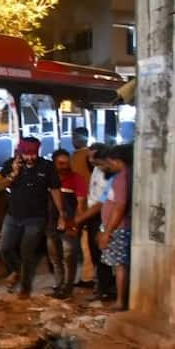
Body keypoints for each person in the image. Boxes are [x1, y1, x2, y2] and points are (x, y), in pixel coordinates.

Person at [0, 137, 65, 299]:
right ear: (20, 153)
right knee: (4, 248)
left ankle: (25, 289)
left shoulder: (47, 167)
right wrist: (14, 173)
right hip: (13, 216)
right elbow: (0, 187)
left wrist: (62, 213)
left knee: (27, 253)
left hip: (36, 218)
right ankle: (16, 271)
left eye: (33, 154)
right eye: (27, 154)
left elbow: (55, 190)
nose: (30, 158)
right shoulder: (10, 164)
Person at [72, 143, 117, 302]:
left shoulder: (111, 175)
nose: (91, 161)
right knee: (95, 253)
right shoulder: (97, 169)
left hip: (101, 216)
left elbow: (102, 202)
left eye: (94, 158)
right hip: (92, 215)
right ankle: (102, 287)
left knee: (103, 254)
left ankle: (107, 290)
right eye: (89, 158)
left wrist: (79, 219)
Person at [46, 149, 88, 299]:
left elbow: (81, 204)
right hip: (51, 224)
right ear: (53, 163)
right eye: (60, 163)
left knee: (69, 257)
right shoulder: (48, 180)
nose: (65, 166)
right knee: (55, 257)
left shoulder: (77, 179)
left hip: (70, 224)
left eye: (67, 163)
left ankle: (67, 288)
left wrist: (75, 224)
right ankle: (59, 285)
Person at [97, 144, 132, 311]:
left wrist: (107, 231)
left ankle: (120, 301)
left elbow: (119, 206)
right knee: (119, 265)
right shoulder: (125, 175)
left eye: (110, 161)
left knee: (120, 266)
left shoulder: (122, 178)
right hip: (118, 227)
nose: (109, 165)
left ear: (118, 161)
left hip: (119, 228)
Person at [70, 127, 95, 288]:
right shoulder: (89, 157)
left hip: (83, 205)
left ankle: (88, 277)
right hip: (89, 204)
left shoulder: (79, 157)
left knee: (85, 244)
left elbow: (78, 185)